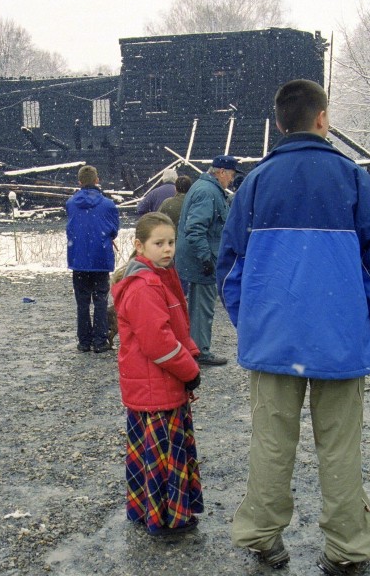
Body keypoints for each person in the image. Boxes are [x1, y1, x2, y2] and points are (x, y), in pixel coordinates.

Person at [217, 79, 370, 573]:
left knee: (271, 443)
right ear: (323, 119)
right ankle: (347, 548)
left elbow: (229, 267)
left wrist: (252, 323)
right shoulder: (355, 180)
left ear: (280, 124)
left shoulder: (254, 183)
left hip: (274, 339)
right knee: (340, 449)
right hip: (340, 342)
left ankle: (262, 537)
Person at [112, 212, 203, 536]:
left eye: (171, 243)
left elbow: (176, 328)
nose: (167, 249)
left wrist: (191, 353)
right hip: (156, 386)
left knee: (157, 456)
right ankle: (167, 517)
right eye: (159, 243)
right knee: (163, 457)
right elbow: (158, 342)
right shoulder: (144, 285)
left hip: (159, 383)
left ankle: (149, 510)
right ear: (139, 246)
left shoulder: (160, 276)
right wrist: (189, 369)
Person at [176, 155, 239, 367]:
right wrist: (205, 259)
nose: (231, 180)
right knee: (202, 308)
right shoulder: (208, 192)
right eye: (230, 175)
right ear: (221, 172)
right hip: (201, 261)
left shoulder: (205, 189)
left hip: (196, 258)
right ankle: (200, 351)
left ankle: (194, 348)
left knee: (196, 307)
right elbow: (195, 230)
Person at [65, 165, 120, 353]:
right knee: (100, 300)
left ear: (79, 182)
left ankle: (84, 340)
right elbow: (114, 230)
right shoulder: (108, 205)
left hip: (79, 259)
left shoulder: (71, 203)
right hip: (100, 258)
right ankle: (100, 340)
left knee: (82, 302)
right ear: (97, 180)